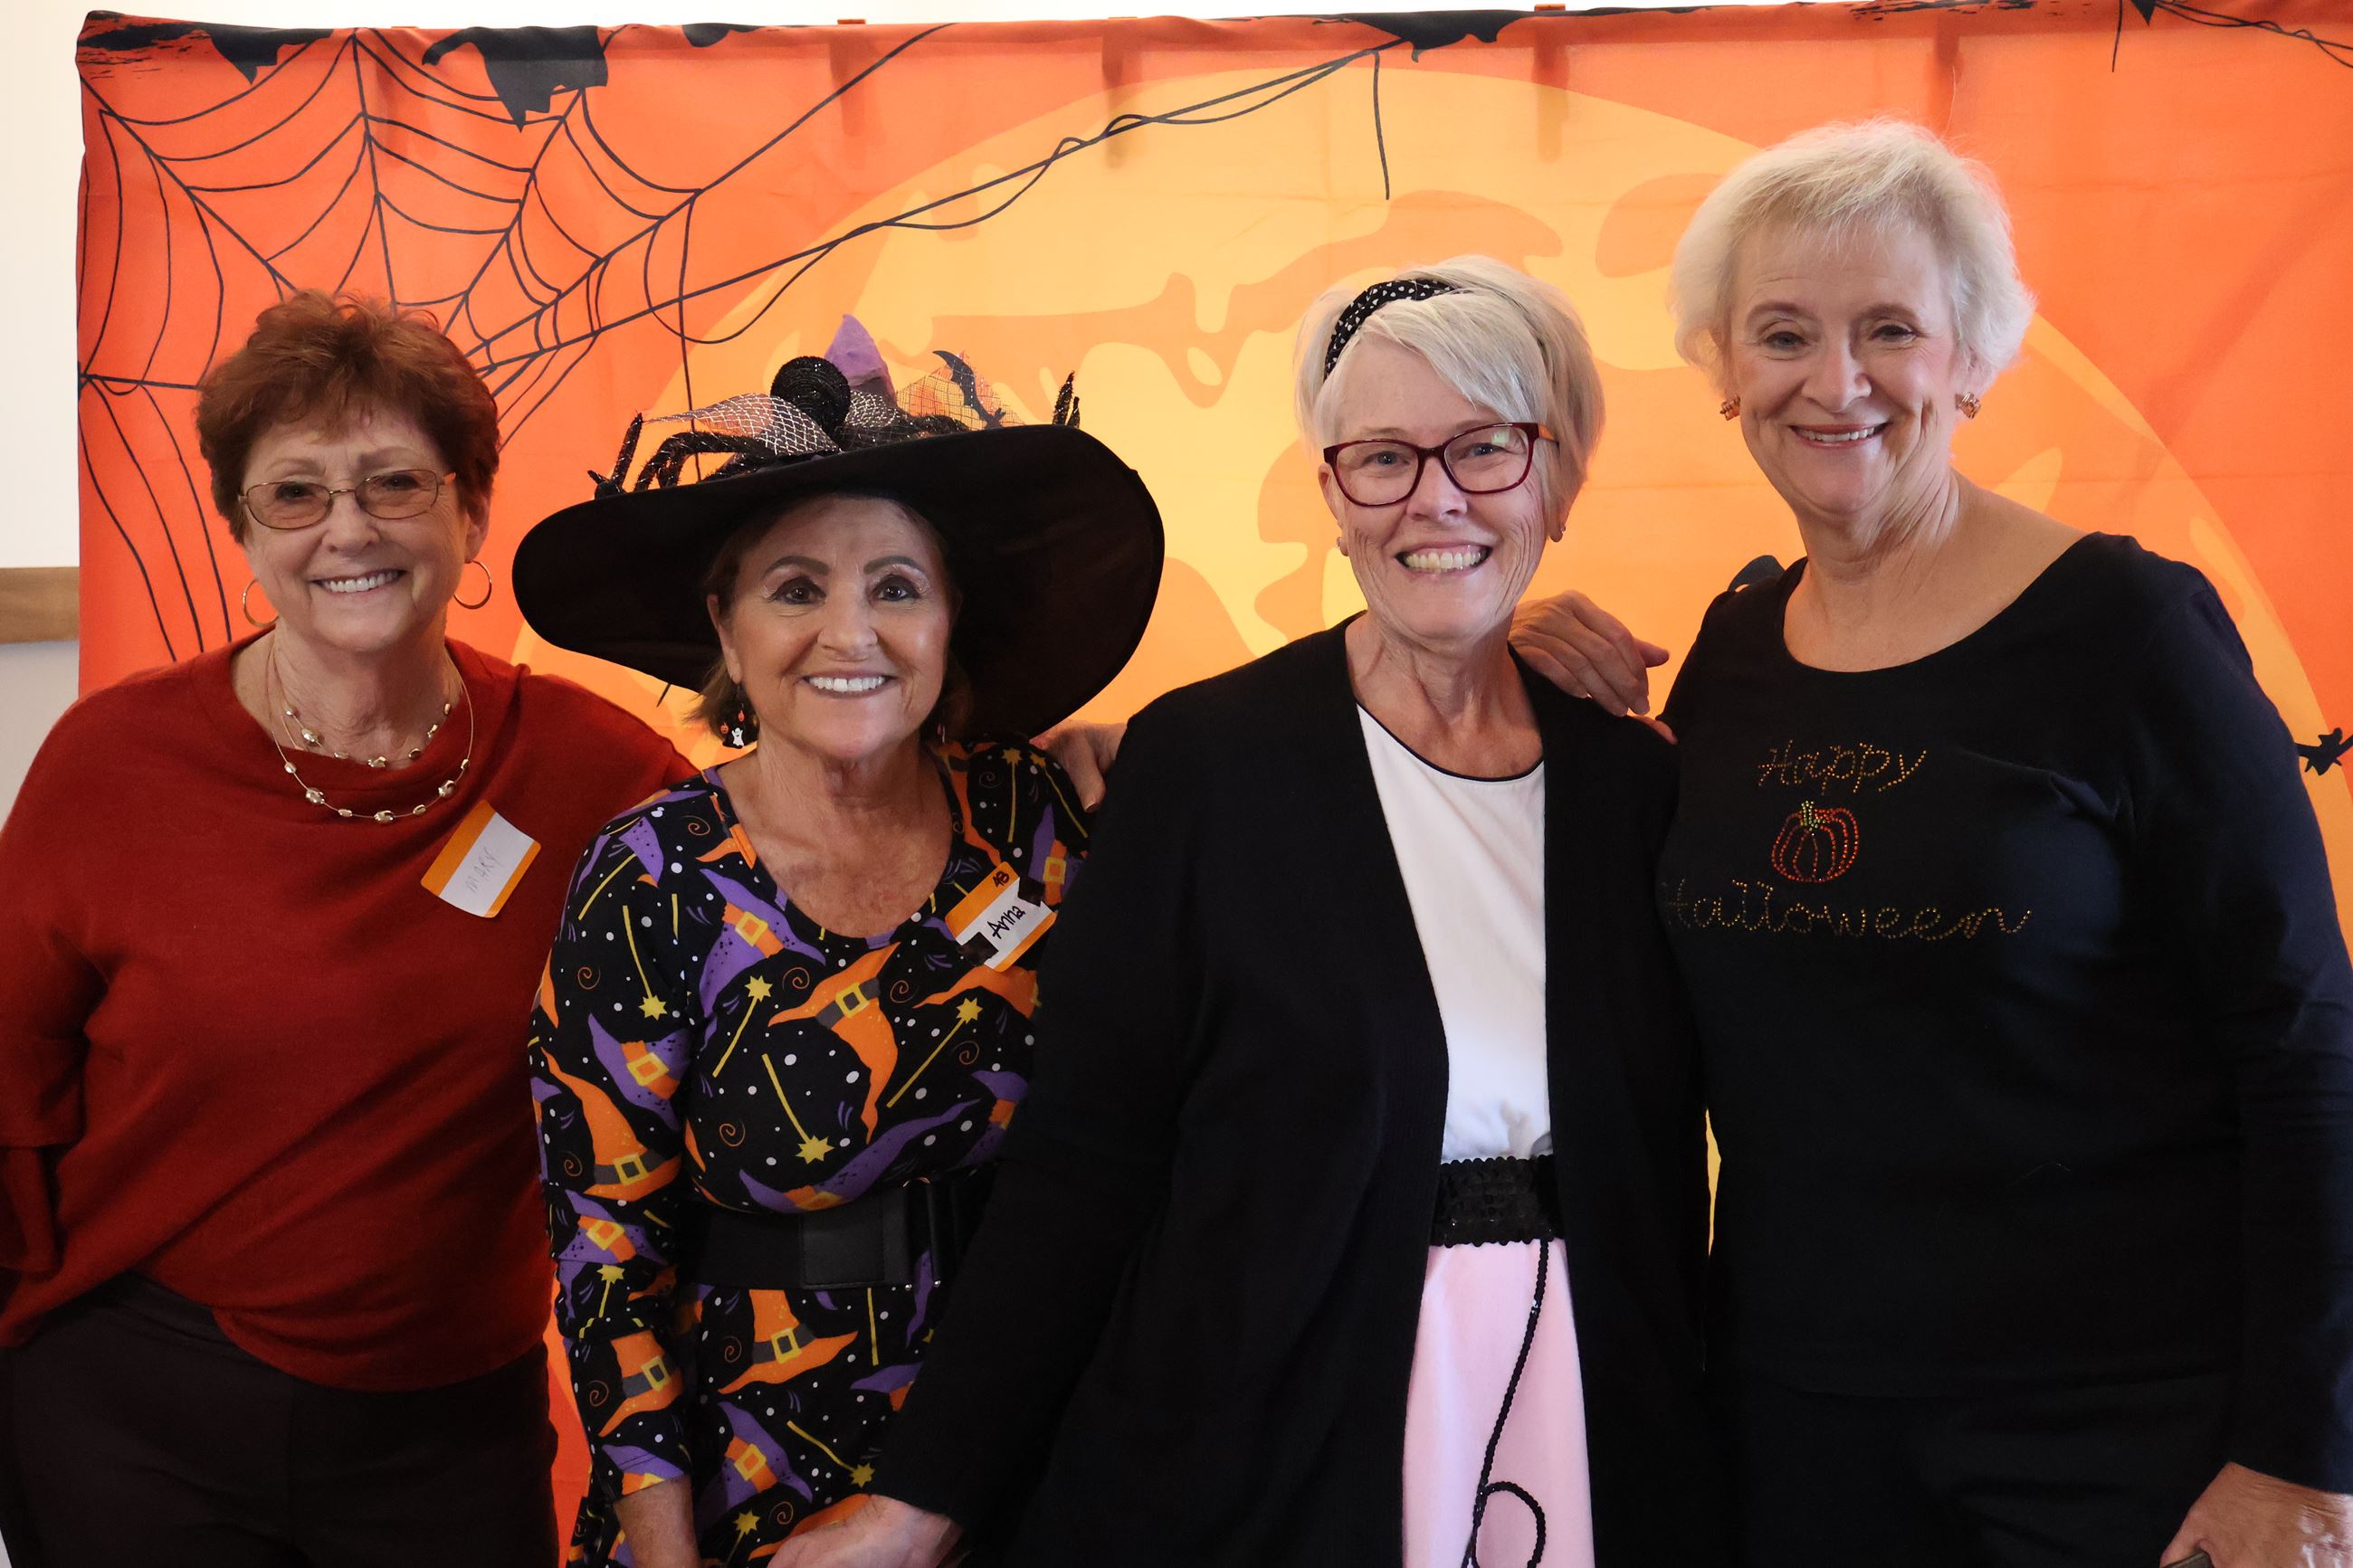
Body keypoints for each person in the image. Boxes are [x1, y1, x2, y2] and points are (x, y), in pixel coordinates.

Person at [778, 259, 1721, 1568]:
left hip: (1586, 1428)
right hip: (1276, 1442)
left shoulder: (1639, 785)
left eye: (1486, 448)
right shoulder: (1210, 764)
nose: (1435, 498)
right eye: (1382, 456)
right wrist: (919, 1502)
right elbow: (1087, 1162)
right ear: (1331, 495)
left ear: (1555, 479)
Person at [1539, 119, 2353, 1567]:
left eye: (1890, 330)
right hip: (1800, 1423)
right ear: (1723, 371)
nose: (1834, 381)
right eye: (1782, 333)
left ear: (1973, 360)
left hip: (2123, 1426)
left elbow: (2305, 1048)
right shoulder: (1731, 650)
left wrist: (2302, 1453)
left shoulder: (2129, 634)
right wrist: (1506, 657)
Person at [0, 291, 688, 1564]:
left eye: (392, 482)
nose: (348, 529)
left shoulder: (599, 772)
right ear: (242, 530)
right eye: (296, 493)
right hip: (137, 1408)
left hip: (449, 1425)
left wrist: (1032, 764)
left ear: (471, 508)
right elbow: (8, 1086)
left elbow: (793, 885)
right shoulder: (109, 765)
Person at [511, 332, 1164, 1567]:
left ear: (951, 614)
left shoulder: (1046, 818)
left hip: (1040, 1444)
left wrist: (1501, 643)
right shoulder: (652, 877)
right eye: (797, 588)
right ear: (728, 623)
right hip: (753, 1477)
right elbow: (607, 1259)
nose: (850, 632)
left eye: (897, 587)